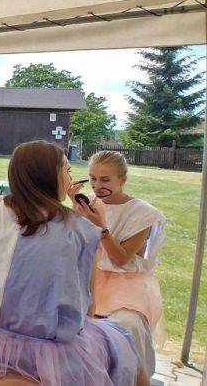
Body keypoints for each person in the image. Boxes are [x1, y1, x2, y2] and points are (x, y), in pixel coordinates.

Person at [0, 140, 141, 386]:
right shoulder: (80, 230)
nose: (70, 180)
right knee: (123, 343)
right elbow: (85, 306)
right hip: (48, 351)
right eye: (67, 171)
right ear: (50, 176)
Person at [86, 150, 166, 379]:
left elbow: (120, 259)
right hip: (92, 274)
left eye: (105, 180)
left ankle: (129, 378)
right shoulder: (90, 203)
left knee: (125, 325)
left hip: (126, 281)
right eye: (92, 179)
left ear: (122, 179)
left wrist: (101, 228)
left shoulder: (143, 214)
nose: (97, 186)